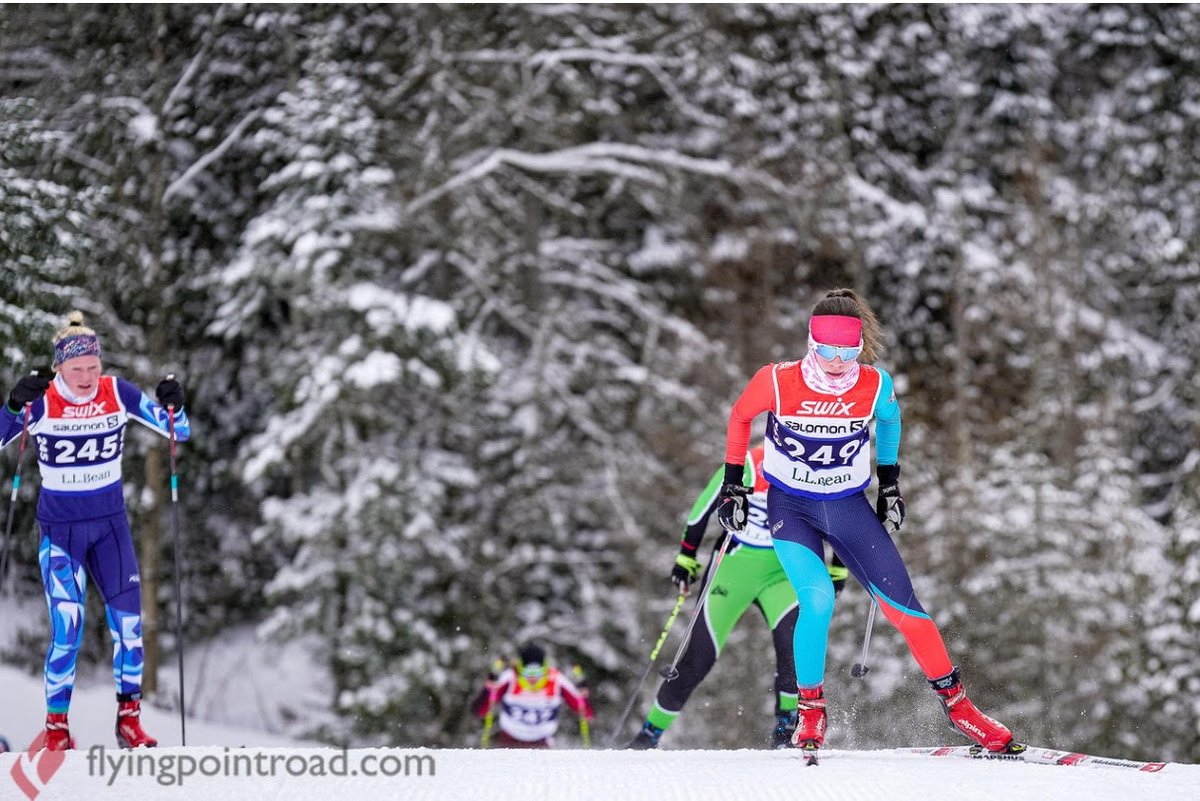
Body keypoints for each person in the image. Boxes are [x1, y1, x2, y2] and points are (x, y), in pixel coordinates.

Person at [715, 288, 1018, 757]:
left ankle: (960, 708)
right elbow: (739, 416)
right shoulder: (777, 381)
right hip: (790, 507)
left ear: (860, 347)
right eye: (827, 350)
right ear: (810, 344)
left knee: (908, 610)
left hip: (847, 505)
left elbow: (891, 422)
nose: (837, 361)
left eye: (848, 351)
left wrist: (890, 483)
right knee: (816, 602)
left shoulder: (873, 384)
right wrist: (734, 483)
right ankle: (810, 711)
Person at [0, 310, 189, 751]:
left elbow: (178, 430)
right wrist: (12, 405)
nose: (86, 376)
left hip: (109, 530)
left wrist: (174, 403)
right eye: (76, 368)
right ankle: (57, 728)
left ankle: (129, 721)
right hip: (60, 533)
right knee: (68, 628)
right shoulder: (43, 401)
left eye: (93, 366)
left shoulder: (116, 393)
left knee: (130, 627)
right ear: (59, 368)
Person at [627, 444, 848, 750]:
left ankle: (786, 727)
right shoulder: (749, 462)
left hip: (783, 572)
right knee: (698, 657)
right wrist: (686, 556)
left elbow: (838, 517)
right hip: (734, 568)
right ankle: (649, 733)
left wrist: (837, 569)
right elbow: (703, 507)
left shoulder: (815, 467)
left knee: (794, 647)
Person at [474, 641, 594, 748]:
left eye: (537, 672)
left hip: (542, 741)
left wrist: (582, 694)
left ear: (545, 668)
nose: (532, 678)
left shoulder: (556, 679)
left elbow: (586, 711)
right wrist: (488, 689)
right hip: (510, 740)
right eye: (527, 672)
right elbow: (480, 710)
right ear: (520, 668)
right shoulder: (511, 677)